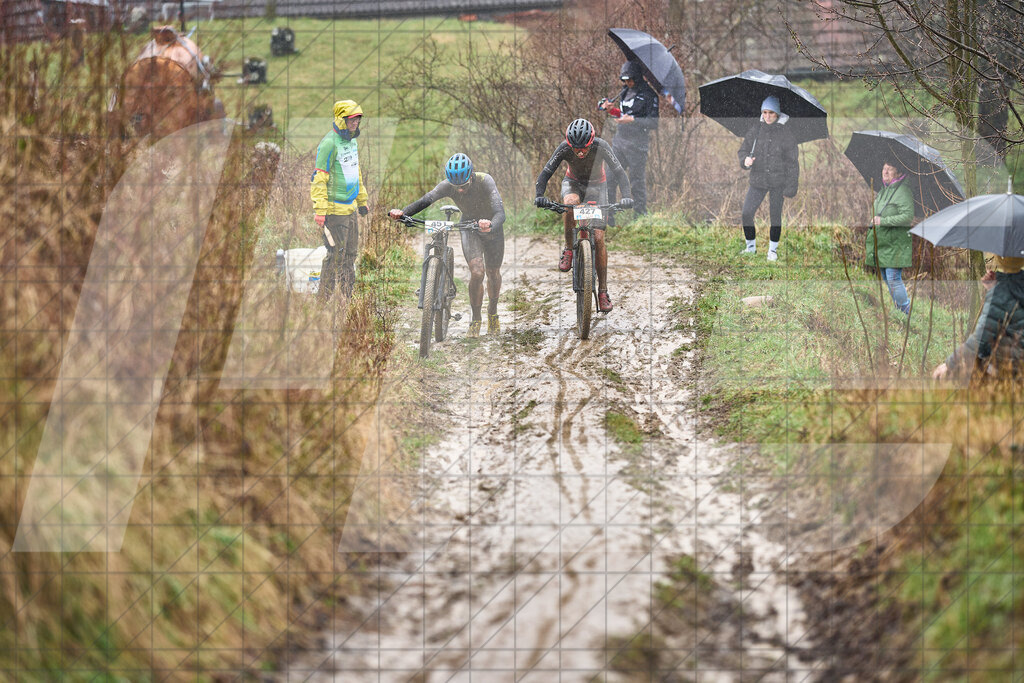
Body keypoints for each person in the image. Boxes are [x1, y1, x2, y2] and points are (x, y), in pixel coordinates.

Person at [388, 153, 505, 338]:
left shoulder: (485, 181)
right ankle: (476, 319)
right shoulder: (447, 185)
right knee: (477, 272)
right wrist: (403, 213)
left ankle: (492, 312)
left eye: (464, 186)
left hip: (492, 228)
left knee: (493, 273)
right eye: (456, 187)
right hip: (469, 227)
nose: (460, 190)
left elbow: (500, 213)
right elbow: (426, 199)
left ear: (471, 176)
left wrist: (490, 224)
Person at [535, 118, 634, 313]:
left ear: (591, 142)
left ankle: (603, 291)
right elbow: (546, 172)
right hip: (572, 183)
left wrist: (626, 196)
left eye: (584, 148)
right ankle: (568, 249)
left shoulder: (601, 146)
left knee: (598, 237)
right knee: (570, 204)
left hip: (598, 186)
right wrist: (539, 195)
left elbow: (620, 172)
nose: (580, 152)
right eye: (576, 149)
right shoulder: (564, 148)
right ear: (569, 144)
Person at [311, 99, 369, 299]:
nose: (356, 123)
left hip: (350, 209)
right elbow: (319, 178)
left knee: (350, 255)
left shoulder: (352, 141)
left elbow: (355, 172)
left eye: (358, 119)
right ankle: (323, 302)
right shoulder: (329, 143)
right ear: (341, 119)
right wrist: (320, 210)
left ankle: (347, 300)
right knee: (335, 256)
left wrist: (362, 201)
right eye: (352, 119)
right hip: (334, 212)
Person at [933, 256, 1024, 379]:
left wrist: (950, 363)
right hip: (1019, 363)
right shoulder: (1014, 285)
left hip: (1007, 370)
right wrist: (997, 283)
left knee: (957, 374)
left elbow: (981, 339)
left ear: (1000, 258)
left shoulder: (999, 293)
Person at [737, 96, 799, 262]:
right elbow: (743, 150)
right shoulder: (756, 129)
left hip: (778, 182)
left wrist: (791, 187)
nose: (767, 116)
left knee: (775, 217)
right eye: (764, 112)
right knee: (746, 213)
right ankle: (750, 248)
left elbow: (793, 163)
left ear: (777, 114)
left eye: (771, 113)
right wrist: (745, 161)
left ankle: (772, 251)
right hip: (758, 180)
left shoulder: (786, 133)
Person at [599, 61, 658, 215]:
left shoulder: (650, 95)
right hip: (619, 143)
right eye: (624, 80)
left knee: (636, 182)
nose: (627, 83)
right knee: (610, 178)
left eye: (630, 80)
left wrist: (633, 120)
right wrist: (612, 110)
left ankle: (640, 216)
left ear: (637, 77)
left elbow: (654, 122)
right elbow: (622, 115)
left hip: (637, 145)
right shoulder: (625, 91)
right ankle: (609, 216)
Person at [865, 159, 915, 315]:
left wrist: (883, 221)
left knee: (893, 278)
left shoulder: (903, 191)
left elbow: (908, 216)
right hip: (884, 243)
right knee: (887, 278)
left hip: (896, 243)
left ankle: (906, 312)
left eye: (890, 169)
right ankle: (900, 312)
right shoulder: (884, 190)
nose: (885, 172)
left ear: (898, 173)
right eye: (884, 168)